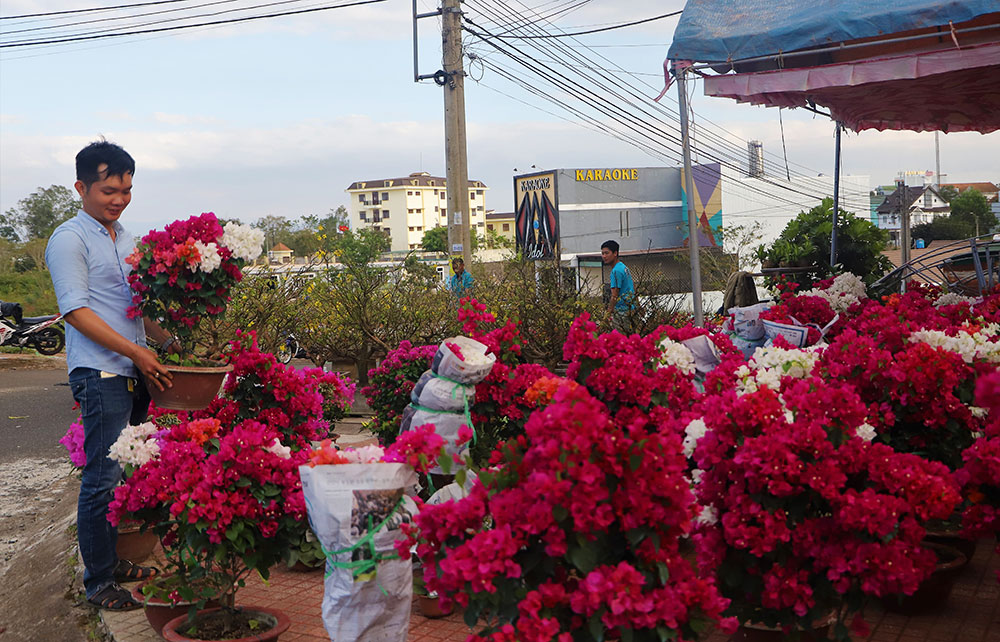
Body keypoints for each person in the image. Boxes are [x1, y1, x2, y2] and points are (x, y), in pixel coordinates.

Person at [46, 140, 178, 611]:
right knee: (101, 478)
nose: (118, 199)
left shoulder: (127, 239)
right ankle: (98, 582)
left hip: (133, 368)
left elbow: (136, 311)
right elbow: (77, 312)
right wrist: (138, 355)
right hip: (101, 373)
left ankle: (114, 560)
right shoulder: (70, 239)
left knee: (119, 474)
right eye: (108, 190)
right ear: (82, 187)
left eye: (126, 189)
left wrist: (169, 344)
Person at [601, 240, 635, 326]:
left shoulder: (616, 271)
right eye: (602, 253)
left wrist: (607, 316)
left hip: (622, 312)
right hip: (631, 309)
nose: (604, 256)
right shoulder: (623, 267)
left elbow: (614, 296)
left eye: (606, 253)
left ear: (615, 253)